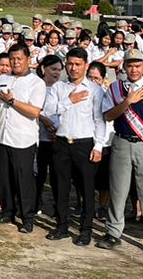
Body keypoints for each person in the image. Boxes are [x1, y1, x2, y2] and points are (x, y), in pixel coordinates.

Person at [42, 46, 110, 247]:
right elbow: (49, 110)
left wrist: (98, 146)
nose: (73, 68)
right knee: (61, 187)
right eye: (70, 64)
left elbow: (99, 120)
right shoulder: (58, 88)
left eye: (77, 64)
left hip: (84, 143)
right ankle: (62, 225)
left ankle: (86, 229)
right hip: (62, 142)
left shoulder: (95, 90)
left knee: (87, 189)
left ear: (85, 65)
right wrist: (68, 101)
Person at [103, 49, 143, 256]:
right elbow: (108, 116)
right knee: (118, 191)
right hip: (121, 142)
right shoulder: (115, 88)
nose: (134, 69)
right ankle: (113, 232)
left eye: (138, 65)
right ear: (124, 67)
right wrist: (127, 101)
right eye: (130, 65)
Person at [0, 43, 45, 233]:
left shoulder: (36, 83)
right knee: (4, 177)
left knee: (23, 180)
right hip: (3, 135)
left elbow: (35, 111)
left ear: (28, 59)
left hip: (23, 139)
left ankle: (27, 217)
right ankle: (7, 211)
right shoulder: (3, 78)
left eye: (19, 59)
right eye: (12, 59)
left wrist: (12, 101)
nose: (15, 62)